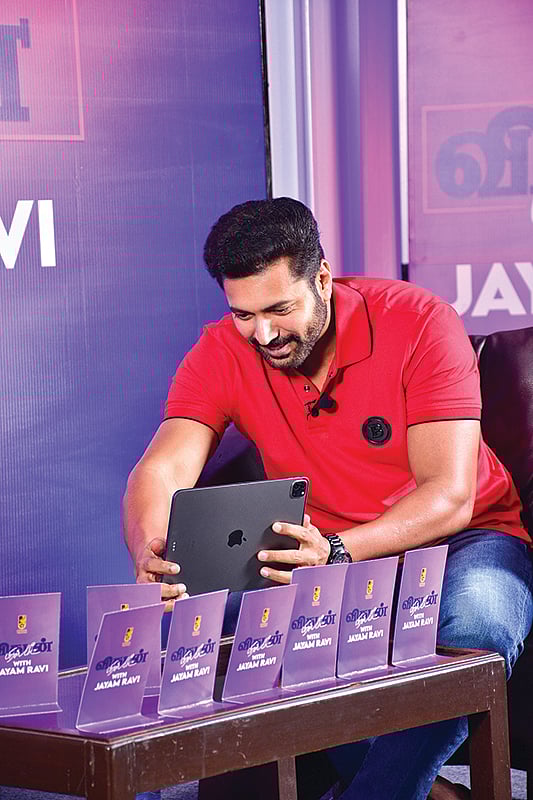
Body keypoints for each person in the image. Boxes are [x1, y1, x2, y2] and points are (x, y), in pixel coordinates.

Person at [124, 197, 533, 800]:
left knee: (480, 627)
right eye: (243, 314)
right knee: (205, 628)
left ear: (322, 279)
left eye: (279, 309)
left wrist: (337, 551)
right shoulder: (222, 349)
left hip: (461, 539)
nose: (263, 334)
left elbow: (449, 497)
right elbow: (162, 467)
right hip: (318, 553)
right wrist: (150, 548)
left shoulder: (420, 322)